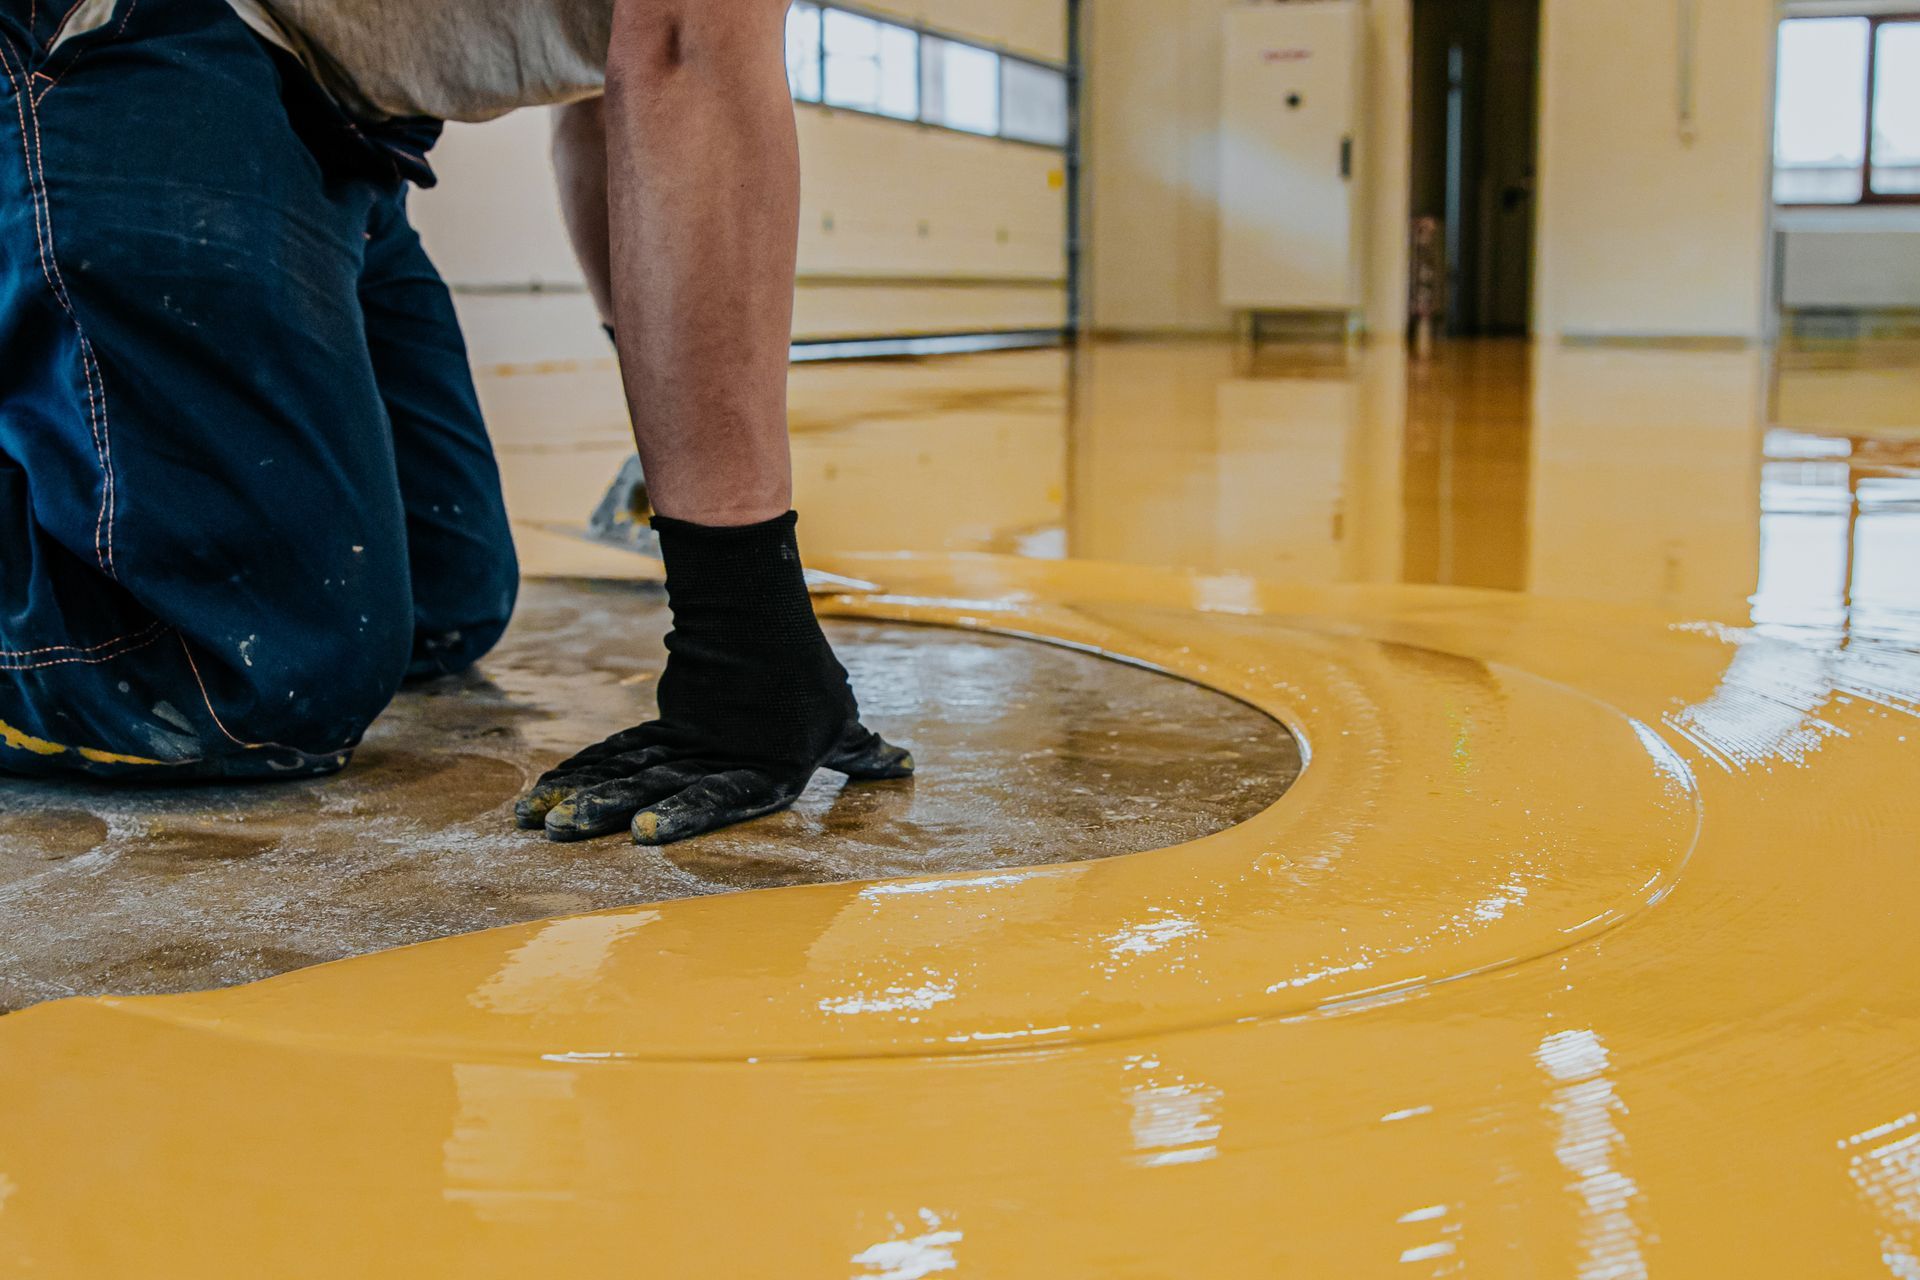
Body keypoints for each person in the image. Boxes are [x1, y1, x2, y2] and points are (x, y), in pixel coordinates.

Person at [0, 0, 913, 844]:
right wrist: (745, 619)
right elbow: (683, 48)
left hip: (334, 120)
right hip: (120, 36)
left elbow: (613, 96)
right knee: (250, 678)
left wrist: (667, 440)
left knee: (450, 598)